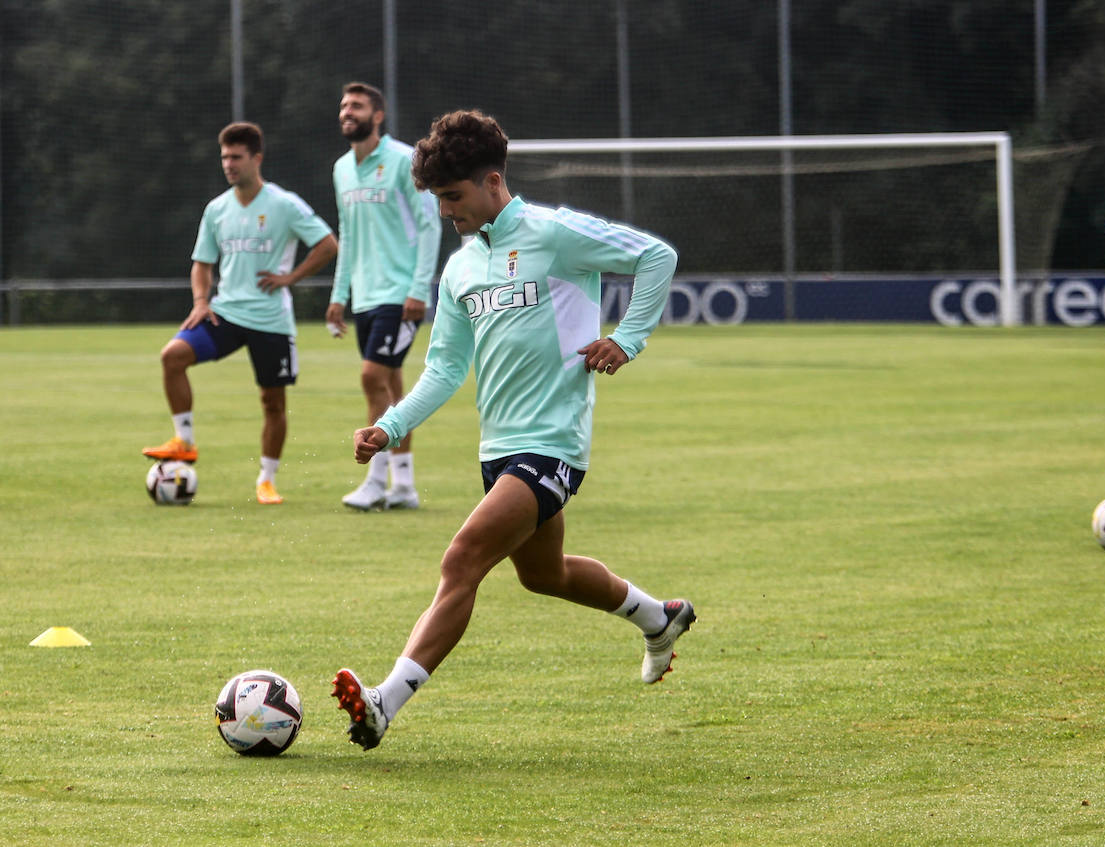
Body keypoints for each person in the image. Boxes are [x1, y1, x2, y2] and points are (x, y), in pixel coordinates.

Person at [331, 109, 694, 750]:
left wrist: (628, 339)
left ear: (493, 181)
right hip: (498, 450)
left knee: (462, 560)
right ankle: (657, 617)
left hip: (553, 446)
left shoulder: (554, 233)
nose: (447, 211)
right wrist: (387, 427)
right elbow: (444, 370)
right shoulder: (461, 268)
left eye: (453, 196)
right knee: (542, 575)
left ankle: (385, 703)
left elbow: (656, 257)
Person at [143, 122, 337, 505]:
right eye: (225, 157)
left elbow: (328, 244)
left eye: (236, 157)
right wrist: (201, 301)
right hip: (225, 314)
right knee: (172, 357)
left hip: (271, 321)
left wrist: (291, 277)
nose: (229, 164)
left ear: (256, 159)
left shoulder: (284, 204)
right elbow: (202, 263)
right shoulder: (217, 209)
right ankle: (184, 440)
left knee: (272, 403)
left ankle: (266, 481)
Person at [327, 82, 441, 511]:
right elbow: (349, 236)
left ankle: (375, 481)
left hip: (400, 294)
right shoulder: (341, 169)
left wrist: (418, 289)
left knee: (371, 378)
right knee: (391, 385)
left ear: (378, 116)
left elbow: (429, 224)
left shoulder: (401, 160)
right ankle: (405, 487)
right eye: (343, 106)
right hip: (366, 296)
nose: (347, 112)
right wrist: (340, 294)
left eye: (356, 106)